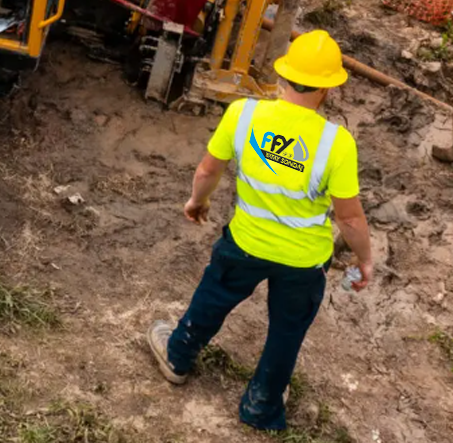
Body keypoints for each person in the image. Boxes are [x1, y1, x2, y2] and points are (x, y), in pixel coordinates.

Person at [146, 29, 374, 432]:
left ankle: (177, 356)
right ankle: (262, 404)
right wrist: (364, 259)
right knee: (287, 330)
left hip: (245, 244)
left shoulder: (244, 114)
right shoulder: (336, 144)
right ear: (327, 90)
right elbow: (350, 219)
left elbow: (207, 169)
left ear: (282, 77)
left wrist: (196, 202)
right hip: (303, 262)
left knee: (213, 297)